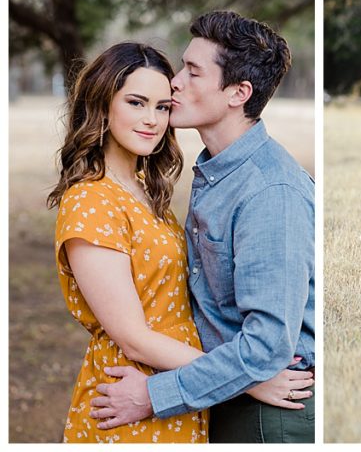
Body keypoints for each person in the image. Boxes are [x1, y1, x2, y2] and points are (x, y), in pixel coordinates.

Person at [47, 42, 307, 443]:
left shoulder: (146, 193)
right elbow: (133, 336)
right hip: (130, 393)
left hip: (185, 389)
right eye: (136, 103)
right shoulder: (91, 199)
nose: (152, 120)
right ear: (103, 105)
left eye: (162, 106)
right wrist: (249, 380)